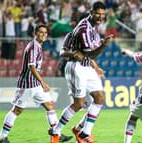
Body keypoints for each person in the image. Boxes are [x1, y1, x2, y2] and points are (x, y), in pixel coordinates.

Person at [0, 24, 72, 143]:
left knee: (50, 105)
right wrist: (43, 82)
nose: (43, 34)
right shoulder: (33, 47)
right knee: (16, 110)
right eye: (40, 32)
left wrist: (40, 83)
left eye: (45, 33)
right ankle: (2, 137)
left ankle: (56, 134)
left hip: (35, 84)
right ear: (35, 34)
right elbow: (31, 67)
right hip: (27, 85)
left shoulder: (38, 46)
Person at [49, 1, 112, 143]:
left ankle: (84, 131)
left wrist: (95, 66)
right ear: (91, 12)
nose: (100, 17)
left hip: (86, 66)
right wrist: (103, 45)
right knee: (79, 103)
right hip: (76, 67)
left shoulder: (93, 29)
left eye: (103, 14)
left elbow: (88, 56)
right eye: (98, 13)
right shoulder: (83, 29)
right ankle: (56, 132)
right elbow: (91, 53)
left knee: (100, 97)